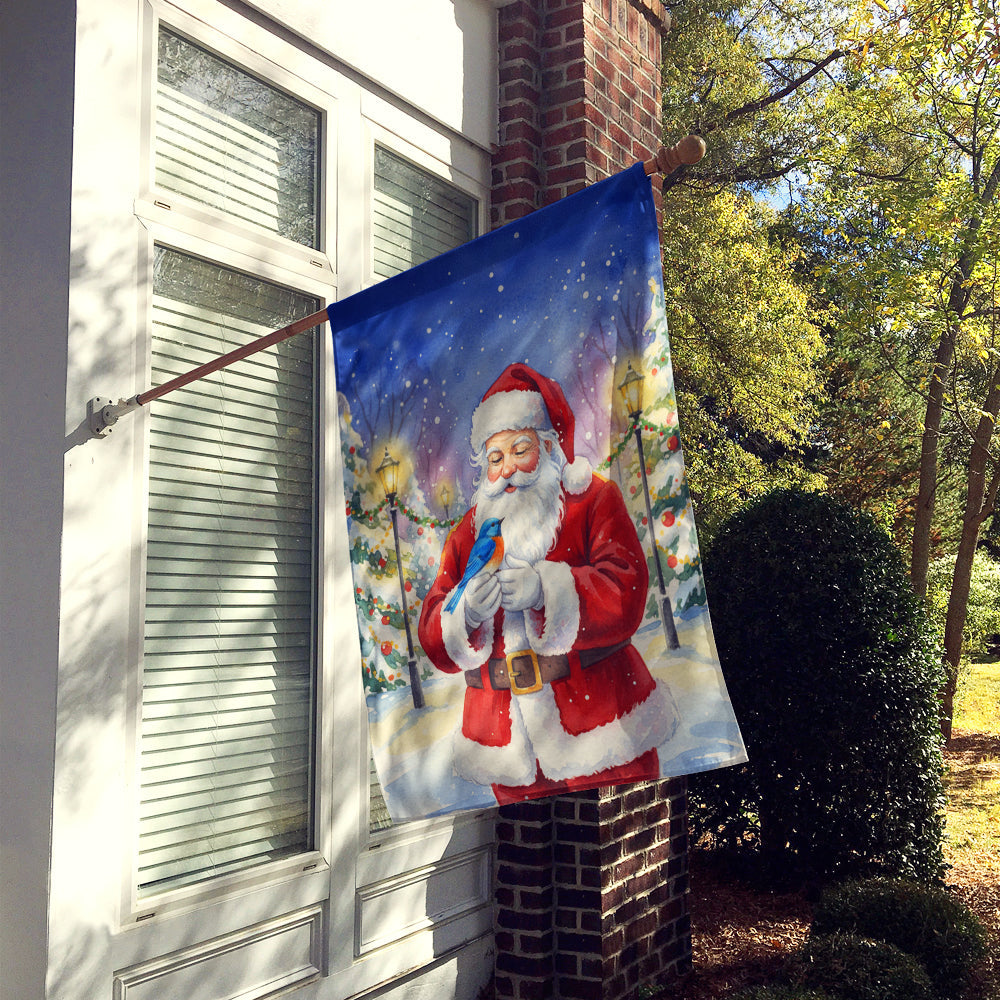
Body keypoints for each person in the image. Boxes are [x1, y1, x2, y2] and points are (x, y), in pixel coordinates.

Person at [417, 363, 678, 805]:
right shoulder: (469, 531)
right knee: (523, 856)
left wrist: (548, 591)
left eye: (521, 450)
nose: (508, 470)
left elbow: (628, 589)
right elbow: (434, 627)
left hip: (602, 725)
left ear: (550, 446)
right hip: (506, 743)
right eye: (495, 458)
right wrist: (465, 616)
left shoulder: (594, 499)